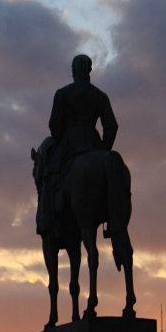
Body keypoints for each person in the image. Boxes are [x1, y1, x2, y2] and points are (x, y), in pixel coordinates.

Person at [38, 54, 118, 236]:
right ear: (89, 71)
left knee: (48, 177)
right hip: (94, 145)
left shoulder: (63, 93)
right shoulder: (100, 96)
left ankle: (45, 220)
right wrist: (104, 151)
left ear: (73, 71)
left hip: (69, 145)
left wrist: (62, 133)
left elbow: (54, 127)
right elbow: (111, 126)